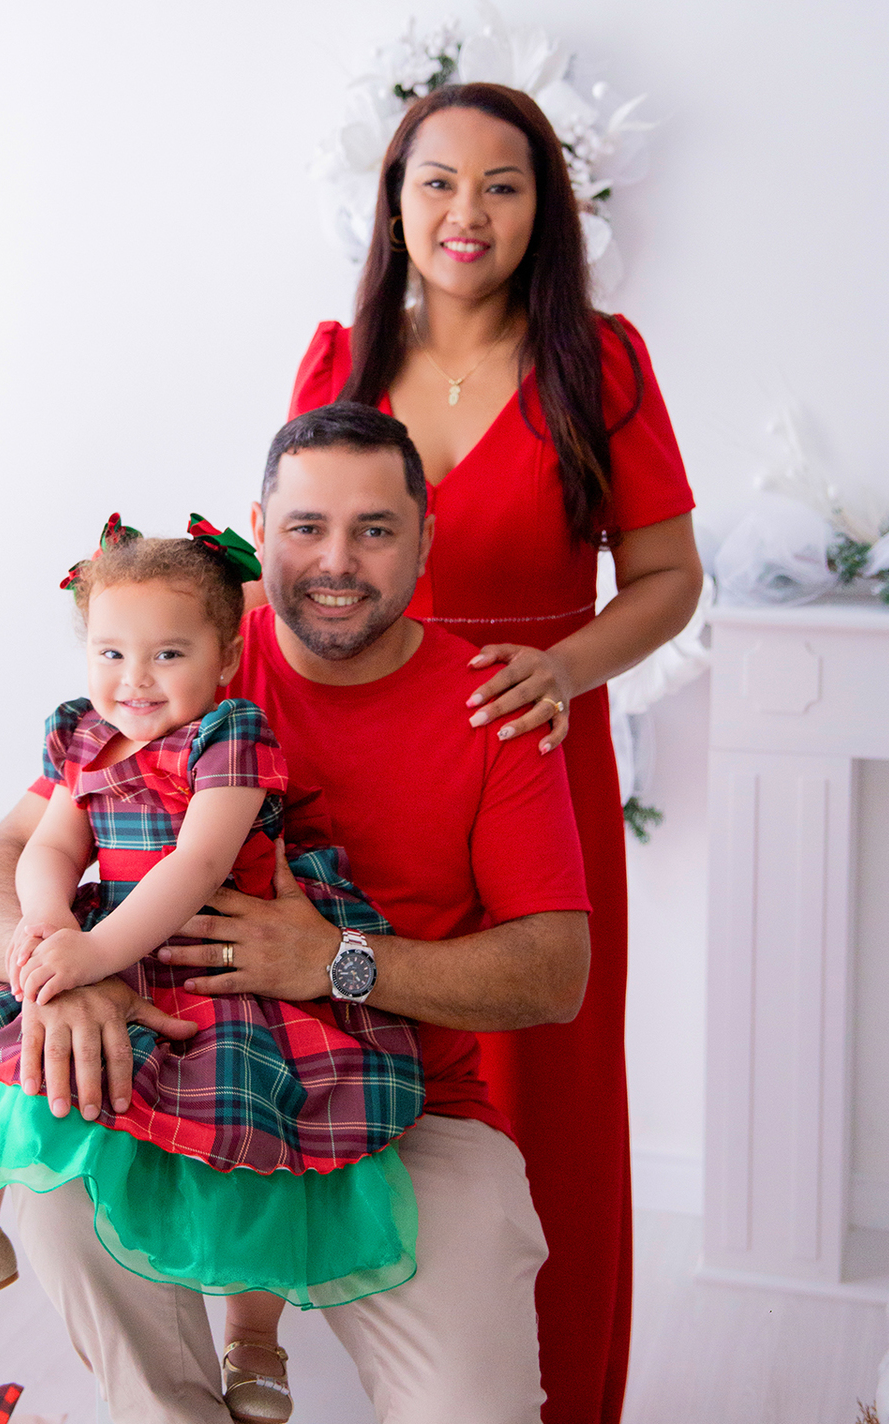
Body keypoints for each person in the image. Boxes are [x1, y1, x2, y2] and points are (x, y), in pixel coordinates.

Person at [0, 404, 592, 1424]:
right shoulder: (178, 655)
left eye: (374, 529)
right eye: (306, 527)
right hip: (174, 1071)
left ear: (425, 539)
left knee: (476, 1412)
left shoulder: (490, 708)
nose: (337, 561)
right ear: (260, 531)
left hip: (413, 1108)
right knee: (60, 1188)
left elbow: (556, 973)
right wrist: (63, 979)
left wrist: (337, 960)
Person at [287, 84, 702, 1424]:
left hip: (532, 752)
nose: (467, 213)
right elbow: (289, 562)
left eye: (503, 185)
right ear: (395, 201)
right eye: (439, 182)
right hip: (362, 768)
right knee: (354, 1055)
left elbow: (669, 578)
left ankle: (559, 1398)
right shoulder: (339, 362)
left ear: (544, 210)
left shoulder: (602, 364)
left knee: (547, 1092)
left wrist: (565, 667)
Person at [0, 513, 426, 1424]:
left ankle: (252, 1332)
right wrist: (49, 927)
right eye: (112, 654)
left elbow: (196, 864)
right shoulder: (83, 738)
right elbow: (51, 846)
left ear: (224, 660)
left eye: (167, 655)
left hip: (215, 963)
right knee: (3, 1067)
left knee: (253, 1143)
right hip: (104, 944)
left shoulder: (230, 737)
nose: (136, 679)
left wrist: (96, 950)